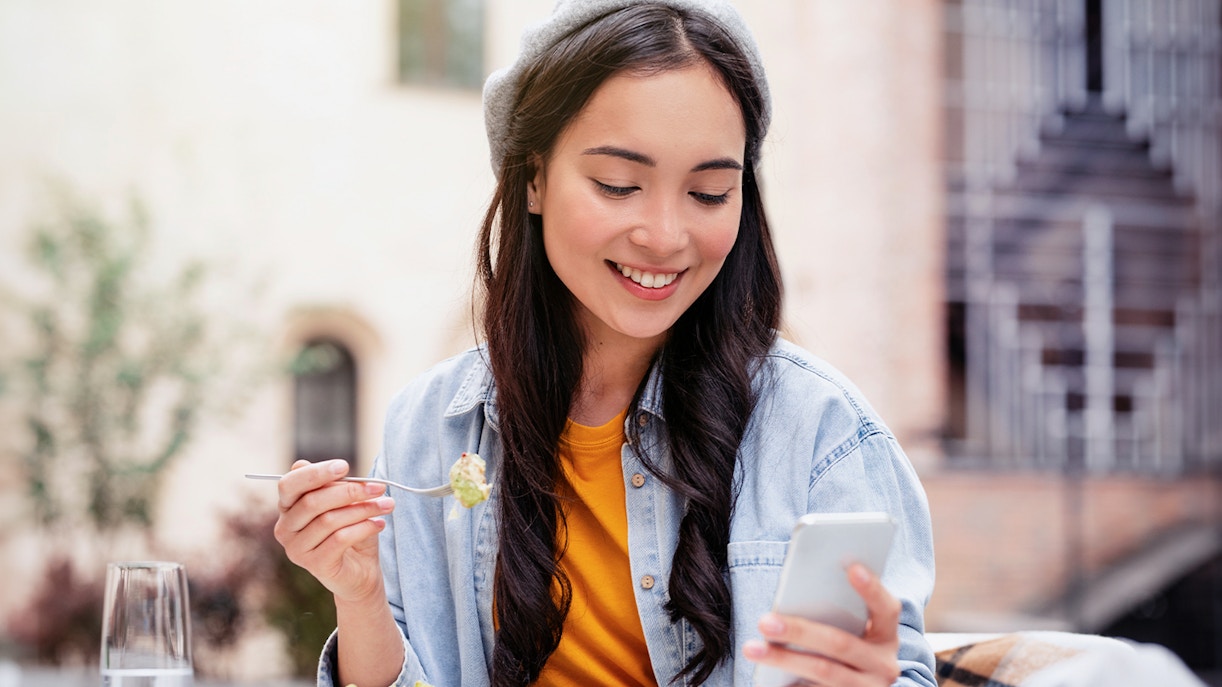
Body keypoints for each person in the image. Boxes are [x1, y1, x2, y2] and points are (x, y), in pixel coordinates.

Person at [272, 1, 937, 685]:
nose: (665, 234)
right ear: (533, 177)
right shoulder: (430, 431)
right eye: (619, 185)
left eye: (709, 193)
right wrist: (357, 596)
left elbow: (899, 669)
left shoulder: (822, 435)